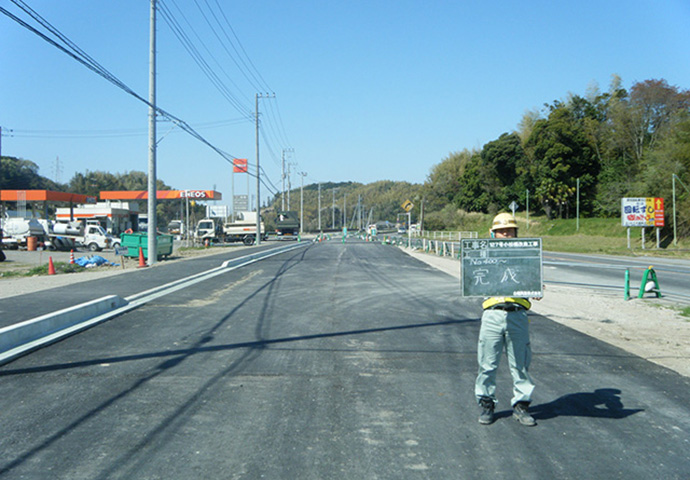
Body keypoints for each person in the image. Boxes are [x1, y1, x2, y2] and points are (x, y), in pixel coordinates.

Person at [475, 212, 539, 427]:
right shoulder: (481, 254)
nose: (506, 235)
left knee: (520, 364)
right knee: (487, 363)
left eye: (510, 231)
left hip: (518, 313)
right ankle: (486, 404)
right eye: (502, 231)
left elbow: (533, 279)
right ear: (493, 234)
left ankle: (521, 405)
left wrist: (537, 286)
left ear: (516, 233)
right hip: (492, 313)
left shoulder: (527, 255)